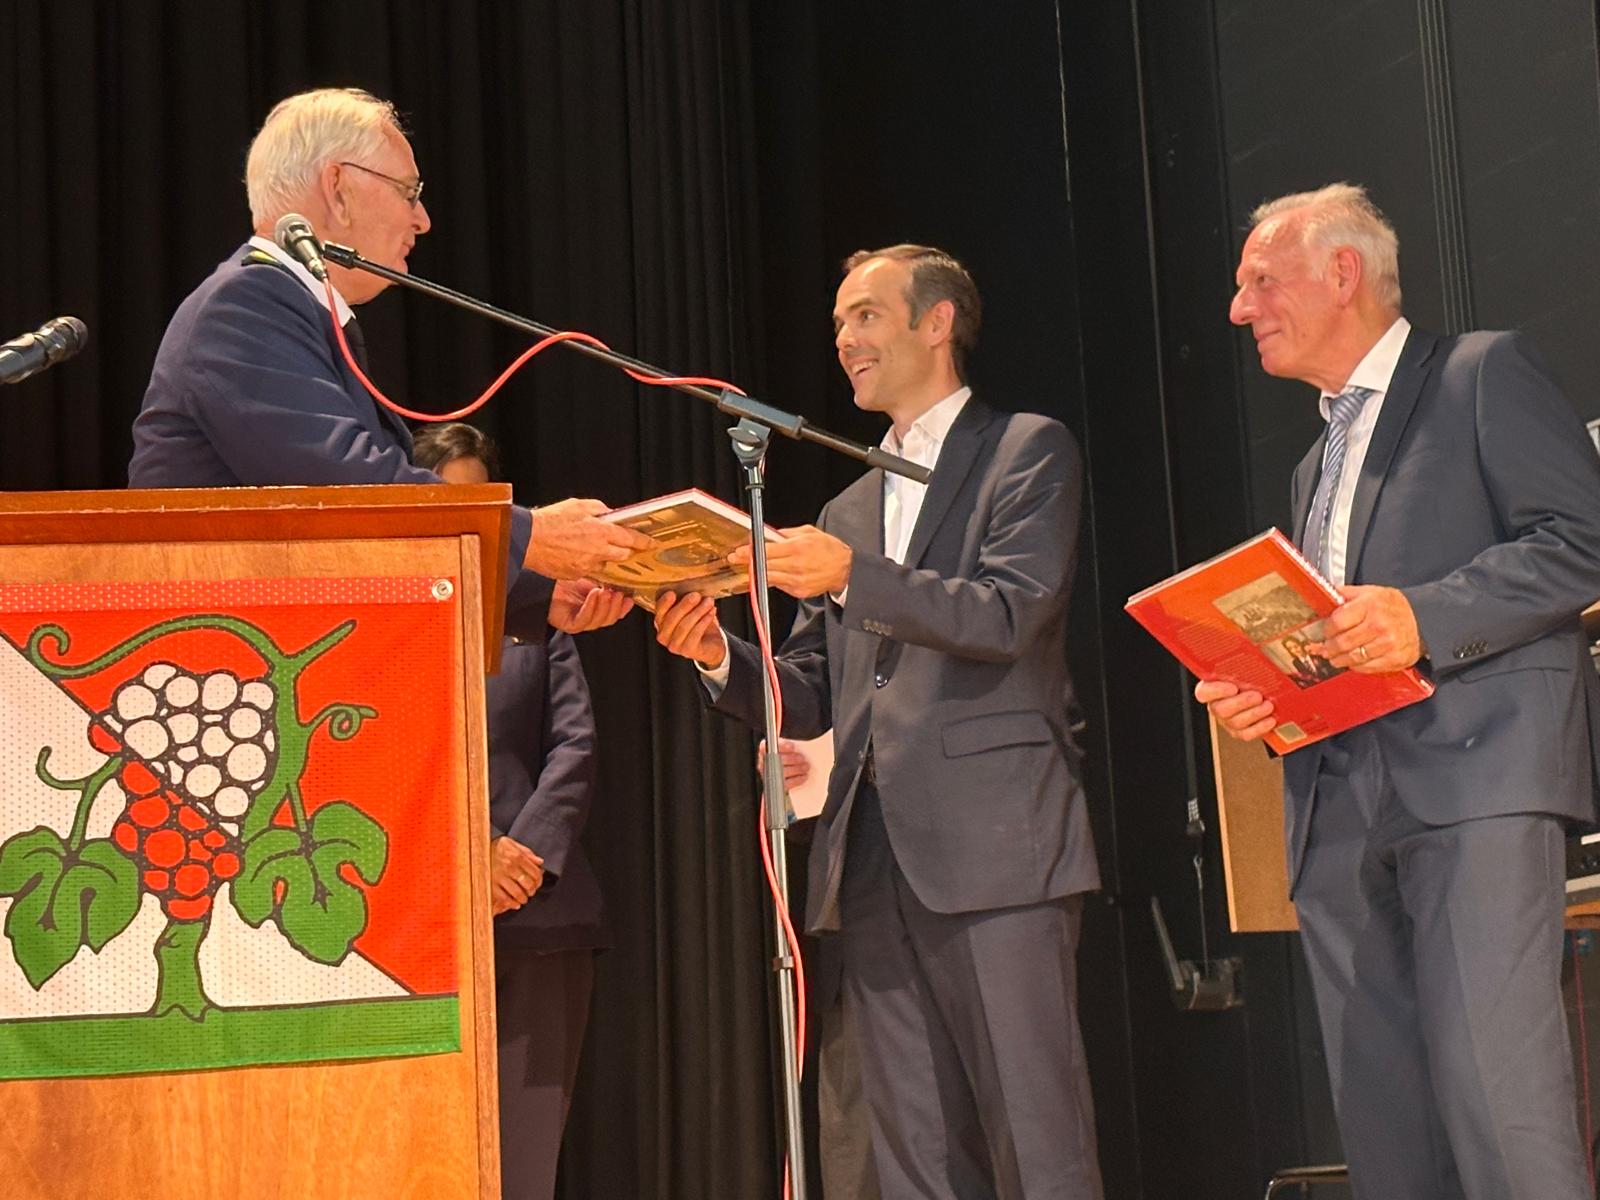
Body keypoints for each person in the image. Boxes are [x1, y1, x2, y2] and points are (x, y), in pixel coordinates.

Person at [655, 245, 1102, 1199]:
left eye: (865, 316)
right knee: (912, 1157)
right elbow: (814, 688)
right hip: (869, 861)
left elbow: (1011, 612)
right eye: (838, 325)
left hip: (995, 846)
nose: (845, 340)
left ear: (937, 323)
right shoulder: (848, 507)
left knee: (1037, 1139)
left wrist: (854, 578)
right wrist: (716, 655)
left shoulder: (1025, 449)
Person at [1198, 183, 1600, 1199]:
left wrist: (1424, 615)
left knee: (1498, 1102)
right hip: (1336, 808)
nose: (1240, 309)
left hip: (1473, 785)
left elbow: (1582, 542)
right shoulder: (1312, 466)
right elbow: (1339, 637)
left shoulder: (1479, 374)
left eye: (1261, 281)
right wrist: (1267, 701)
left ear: (1343, 272)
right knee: (1390, 1133)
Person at [127, 87, 647, 637]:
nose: (422, 219)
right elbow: (344, 488)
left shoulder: (291, 306)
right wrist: (533, 537)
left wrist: (538, 591)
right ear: (337, 188)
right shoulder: (244, 305)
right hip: (219, 653)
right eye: (408, 191)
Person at [414, 423, 608, 1200]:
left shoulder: (533, 617)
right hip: (417, 930)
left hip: (537, 920)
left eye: (478, 507)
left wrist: (520, 861)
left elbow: (575, 744)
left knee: (524, 1170)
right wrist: (472, 854)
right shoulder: (375, 626)